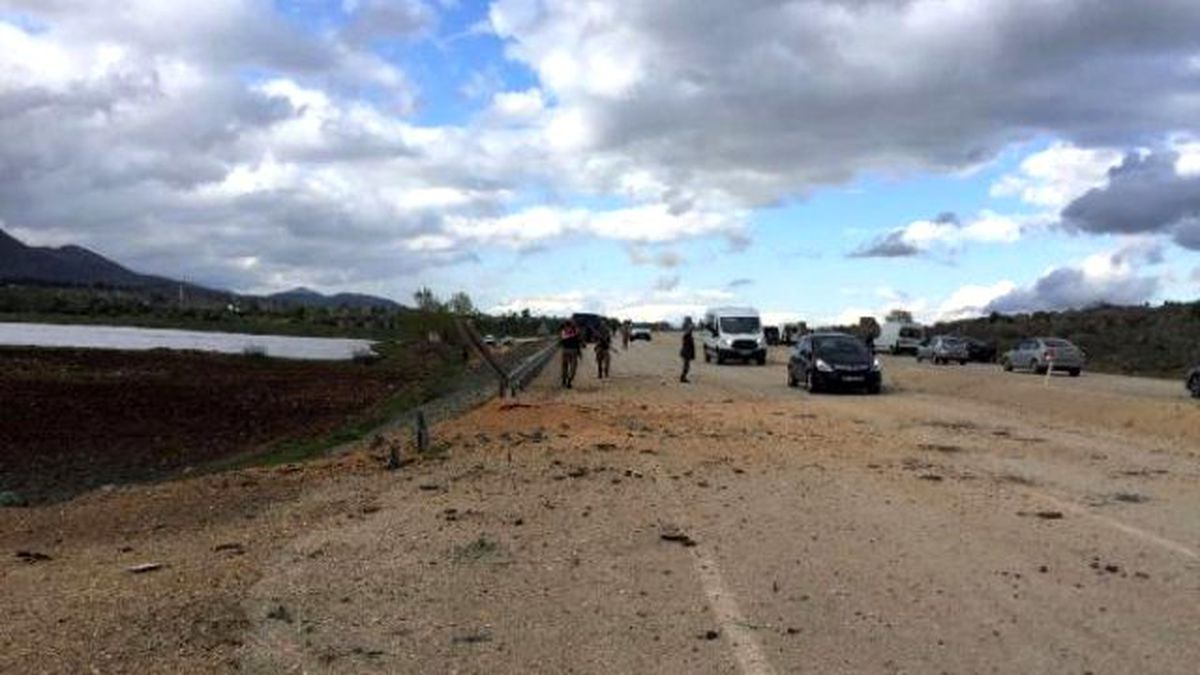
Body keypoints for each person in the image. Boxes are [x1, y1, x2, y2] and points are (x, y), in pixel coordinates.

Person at [559, 320, 582, 388]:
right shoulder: (575, 331)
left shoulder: (563, 331)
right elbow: (578, 342)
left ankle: (564, 381)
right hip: (573, 351)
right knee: (573, 367)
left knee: (565, 366)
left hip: (565, 350)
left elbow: (562, 339)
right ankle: (569, 380)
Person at [679, 318, 695, 383]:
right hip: (686, 352)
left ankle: (683, 377)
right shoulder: (687, 335)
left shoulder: (688, 335)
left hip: (686, 352)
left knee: (687, 366)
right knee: (686, 366)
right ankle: (683, 378)